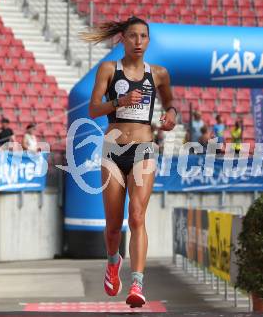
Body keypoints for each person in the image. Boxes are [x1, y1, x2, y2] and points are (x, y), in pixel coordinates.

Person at [83, 16, 177, 308]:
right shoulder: (109, 69)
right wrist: (119, 103)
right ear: (122, 39)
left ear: (149, 41)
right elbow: (92, 108)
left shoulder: (159, 73)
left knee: (136, 216)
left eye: (143, 36)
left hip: (144, 148)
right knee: (113, 226)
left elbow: (170, 103)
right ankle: (113, 262)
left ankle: (137, 283)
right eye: (133, 36)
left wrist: (171, 116)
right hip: (112, 150)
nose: (138, 42)